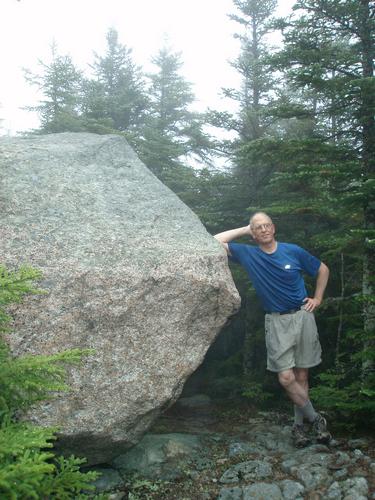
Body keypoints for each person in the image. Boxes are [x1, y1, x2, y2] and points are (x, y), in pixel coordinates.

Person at [214, 211, 331, 448]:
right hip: (277, 322)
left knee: (302, 376)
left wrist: (317, 299)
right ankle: (317, 419)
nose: (264, 229)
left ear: (274, 228)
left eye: (267, 225)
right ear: (254, 234)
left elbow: (323, 269)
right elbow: (214, 241)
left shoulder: (293, 250)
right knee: (286, 377)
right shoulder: (248, 254)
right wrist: (245, 229)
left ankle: (299, 428)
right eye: (258, 227)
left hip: (303, 316)